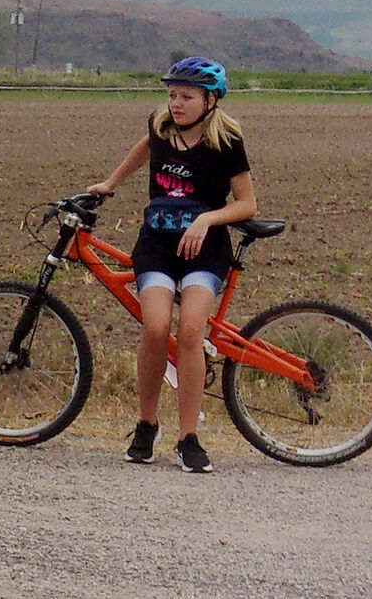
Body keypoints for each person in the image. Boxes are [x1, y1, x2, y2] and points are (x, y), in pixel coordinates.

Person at [86, 56, 254, 474]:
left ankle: (188, 438)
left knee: (192, 331)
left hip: (205, 249)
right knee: (156, 327)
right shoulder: (160, 129)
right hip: (157, 246)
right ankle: (146, 425)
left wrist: (207, 218)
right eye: (172, 95)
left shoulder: (226, 142)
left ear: (210, 100)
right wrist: (110, 183)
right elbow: (142, 150)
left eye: (187, 96)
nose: (177, 103)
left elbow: (248, 204)